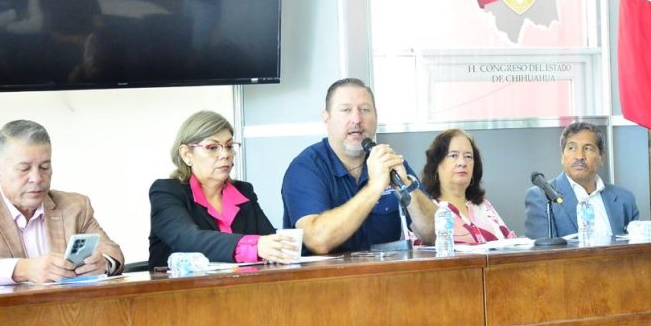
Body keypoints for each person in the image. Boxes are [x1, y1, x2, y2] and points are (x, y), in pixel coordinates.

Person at [0, 120, 123, 288]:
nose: (37, 178)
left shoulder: (74, 206)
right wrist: (24, 269)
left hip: (66, 312)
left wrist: (103, 263)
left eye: (44, 167)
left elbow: (112, 252)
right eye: (24, 168)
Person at [282, 78, 437, 255]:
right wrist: (375, 187)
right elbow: (318, 241)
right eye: (346, 110)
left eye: (365, 110)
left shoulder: (386, 160)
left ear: (376, 117)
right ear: (326, 118)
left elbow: (434, 234)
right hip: (325, 273)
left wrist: (407, 187)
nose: (356, 119)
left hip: (384, 271)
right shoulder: (305, 168)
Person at [149, 110, 297, 269]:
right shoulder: (167, 192)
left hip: (244, 283)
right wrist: (254, 247)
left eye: (229, 146)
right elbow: (187, 240)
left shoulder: (244, 191)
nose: (225, 154)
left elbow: (268, 239)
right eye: (212, 147)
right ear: (186, 154)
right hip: (183, 285)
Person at [524, 121, 640, 239]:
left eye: (588, 148)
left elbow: (637, 246)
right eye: (571, 148)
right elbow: (541, 249)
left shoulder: (625, 199)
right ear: (562, 156)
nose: (579, 156)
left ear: (601, 158)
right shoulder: (542, 197)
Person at [421, 129, 515, 244]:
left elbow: (512, 245)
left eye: (468, 157)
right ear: (436, 165)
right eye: (453, 155)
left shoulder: (484, 206)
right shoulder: (427, 211)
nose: (462, 162)